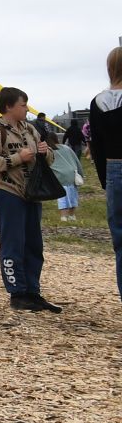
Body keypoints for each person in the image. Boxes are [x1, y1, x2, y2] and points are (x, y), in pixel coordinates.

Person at [0, 87, 60, 312]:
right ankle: (17, 292)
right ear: (8, 107)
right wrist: (17, 158)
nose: (26, 109)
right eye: (23, 105)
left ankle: (33, 291)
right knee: (13, 243)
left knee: (34, 243)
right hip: (8, 192)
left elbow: (50, 159)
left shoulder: (30, 130)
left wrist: (45, 152)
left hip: (33, 193)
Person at [91, 47, 122, 301]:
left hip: (113, 167)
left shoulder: (99, 101)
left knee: (120, 240)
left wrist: (104, 179)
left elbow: (97, 144)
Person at [51, 136, 82, 223]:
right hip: (72, 174)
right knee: (73, 196)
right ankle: (72, 215)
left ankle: (63, 217)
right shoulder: (67, 148)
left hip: (60, 176)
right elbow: (77, 161)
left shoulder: (50, 151)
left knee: (62, 197)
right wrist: (80, 174)